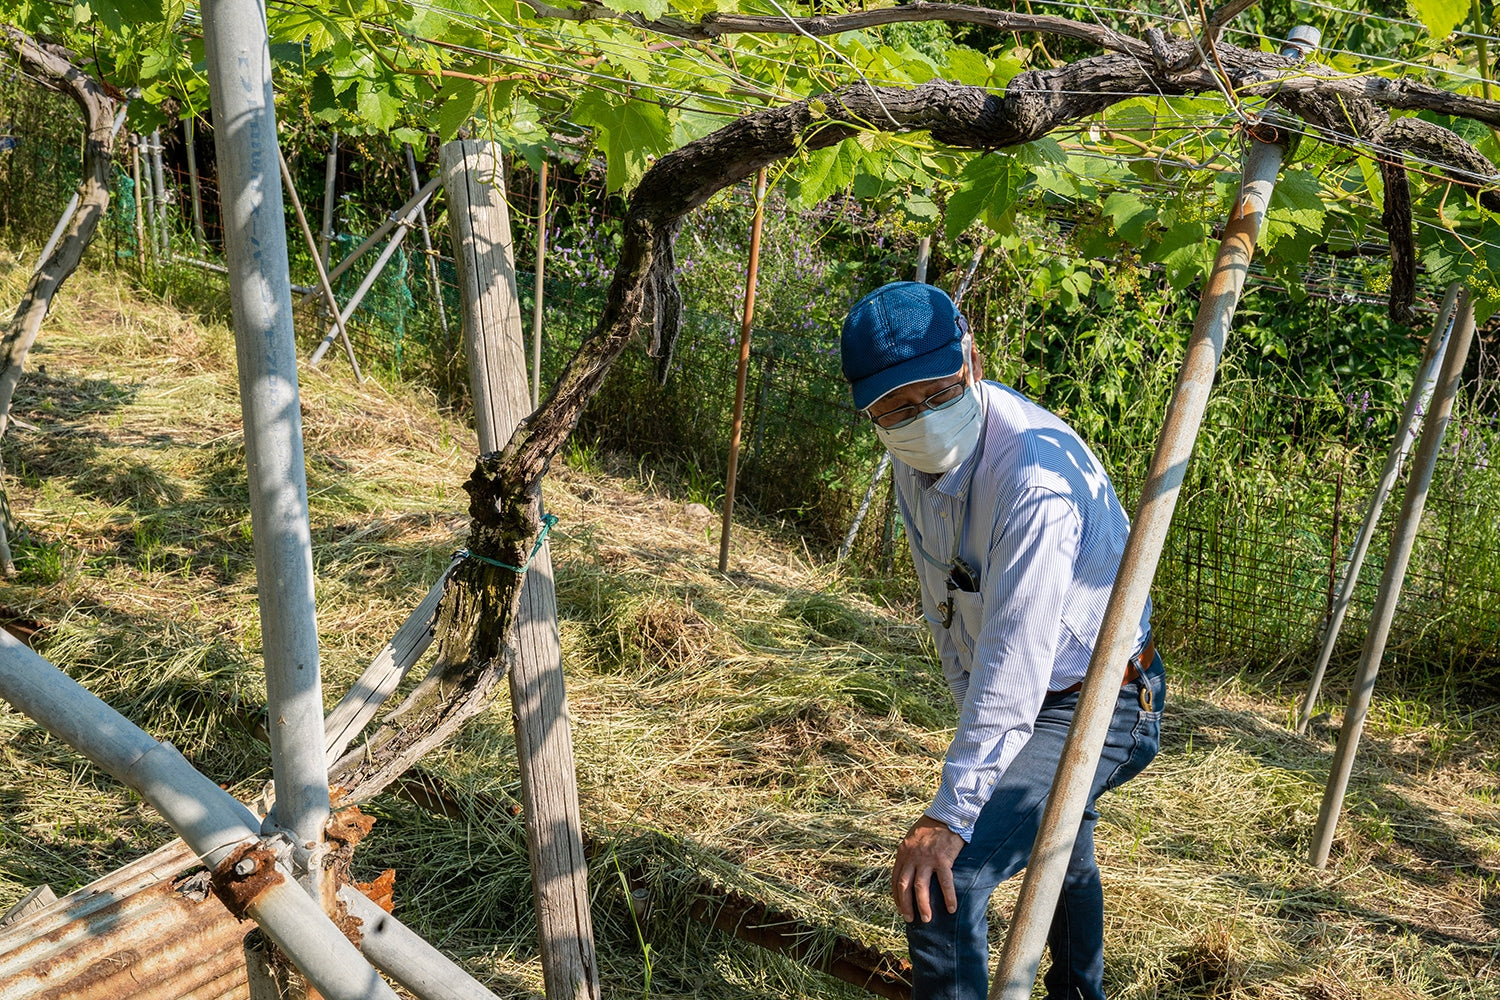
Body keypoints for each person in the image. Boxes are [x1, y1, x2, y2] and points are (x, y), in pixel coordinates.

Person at [839, 281, 1165, 1000]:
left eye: (934, 393)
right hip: (1037, 692)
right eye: (894, 409)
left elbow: (1015, 664)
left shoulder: (1033, 482)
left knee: (943, 883)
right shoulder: (914, 457)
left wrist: (949, 817)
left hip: (1104, 696)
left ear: (971, 360)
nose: (919, 419)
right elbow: (950, 607)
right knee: (1058, 844)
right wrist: (978, 742)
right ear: (871, 413)